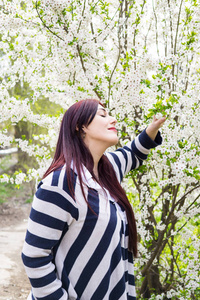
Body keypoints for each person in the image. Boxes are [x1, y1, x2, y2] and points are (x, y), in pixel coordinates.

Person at [22, 99, 166, 300]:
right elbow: (34, 256)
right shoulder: (61, 183)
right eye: (103, 114)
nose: (113, 119)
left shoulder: (108, 170)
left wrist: (152, 129)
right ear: (81, 126)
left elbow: (133, 153)